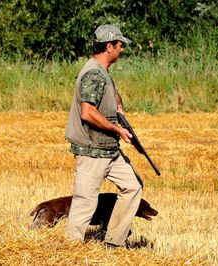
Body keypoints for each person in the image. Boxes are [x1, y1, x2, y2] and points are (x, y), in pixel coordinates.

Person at [65, 24, 142, 248]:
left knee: (133, 186)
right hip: (92, 150)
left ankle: (114, 242)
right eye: (120, 45)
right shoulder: (93, 74)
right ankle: (71, 251)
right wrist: (118, 130)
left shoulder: (103, 73)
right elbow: (87, 112)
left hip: (109, 150)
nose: (122, 49)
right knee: (85, 202)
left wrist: (118, 107)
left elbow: (110, 95)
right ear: (109, 46)